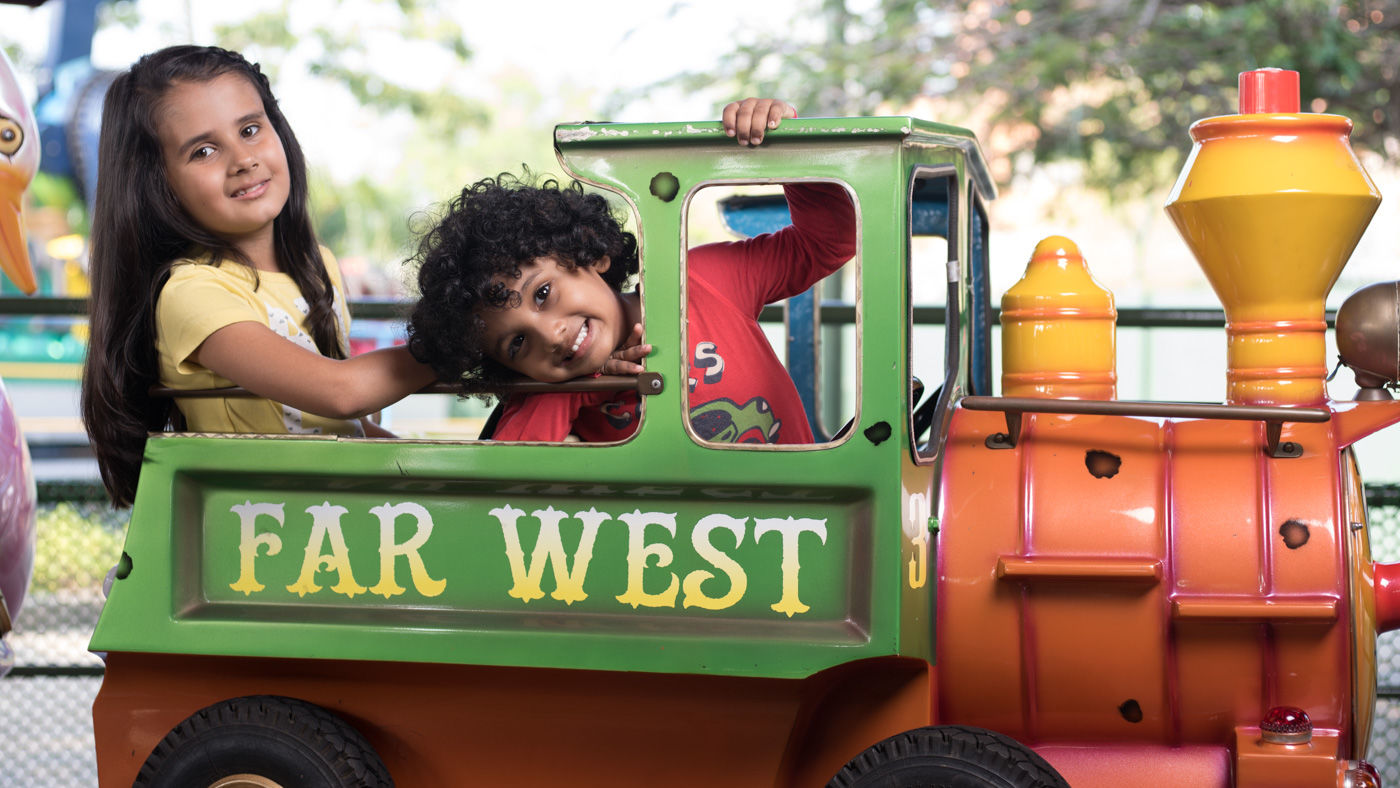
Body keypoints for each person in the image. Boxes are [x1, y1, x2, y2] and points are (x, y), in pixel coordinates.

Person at [80, 45, 436, 508]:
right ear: (156, 182)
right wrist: (462, 341)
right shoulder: (192, 292)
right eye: (204, 150)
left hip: (335, 526)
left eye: (250, 129)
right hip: (257, 541)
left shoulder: (315, 266)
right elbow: (340, 392)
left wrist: (436, 472)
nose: (243, 159)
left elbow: (335, 428)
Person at [406, 98, 857, 444]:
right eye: (518, 343)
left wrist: (788, 144)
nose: (551, 336)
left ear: (591, 254)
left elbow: (829, 242)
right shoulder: (558, 390)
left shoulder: (697, 280)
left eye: (542, 294)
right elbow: (511, 478)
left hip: (802, 536)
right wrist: (583, 384)